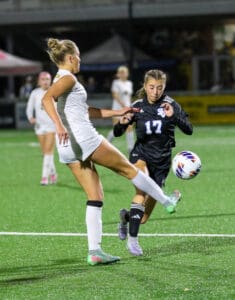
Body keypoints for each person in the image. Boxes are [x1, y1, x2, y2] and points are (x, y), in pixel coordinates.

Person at [42, 38, 181, 266]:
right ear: (70, 58)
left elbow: (86, 111)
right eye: (78, 55)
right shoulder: (68, 78)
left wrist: (118, 112)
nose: (80, 60)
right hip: (85, 139)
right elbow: (46, 99)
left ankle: (95, 251)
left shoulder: (62, 79)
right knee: (129, 169)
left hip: (67, 149)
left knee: (95, 196)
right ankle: (167, 201)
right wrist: (58, 126)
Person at [114, 69, 193, 256]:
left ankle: (126, 218)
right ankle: (133, 242)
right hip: (141, 155)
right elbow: (117, 133)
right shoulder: (137, 106)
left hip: (162, 161)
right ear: (145, 86)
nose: (155, 91)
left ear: (164, 87)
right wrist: (122, 123)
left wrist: (173, 116)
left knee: (142, 218)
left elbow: (189, 130)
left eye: (160, 87)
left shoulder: (171, 104)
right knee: (141, 191)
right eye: (151, 87)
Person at [26, 72, 57, 186]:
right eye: (43, 79)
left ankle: (44, 177)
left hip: (51, 126)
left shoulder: (55, 91)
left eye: (47, 79)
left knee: (49, 151)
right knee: (45, 153)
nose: (45, 81)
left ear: (51, 80)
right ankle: (53, 173)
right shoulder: (35, 93)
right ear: (39, 81)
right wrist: (30, 117)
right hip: (39, 126)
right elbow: (29, 107)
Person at [107, 66, 135, 153]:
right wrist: (123, 106)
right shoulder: (116, 83)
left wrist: (130, 107)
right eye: (121, 72)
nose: (123, 74)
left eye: (124, 72)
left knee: (129, 127)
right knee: (117, 128)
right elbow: (115, 95)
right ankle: (106, 143)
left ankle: (131, 148)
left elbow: (129, 97)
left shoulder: (129, 83)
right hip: (117, 109)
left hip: (127, 109)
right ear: (118, 74)